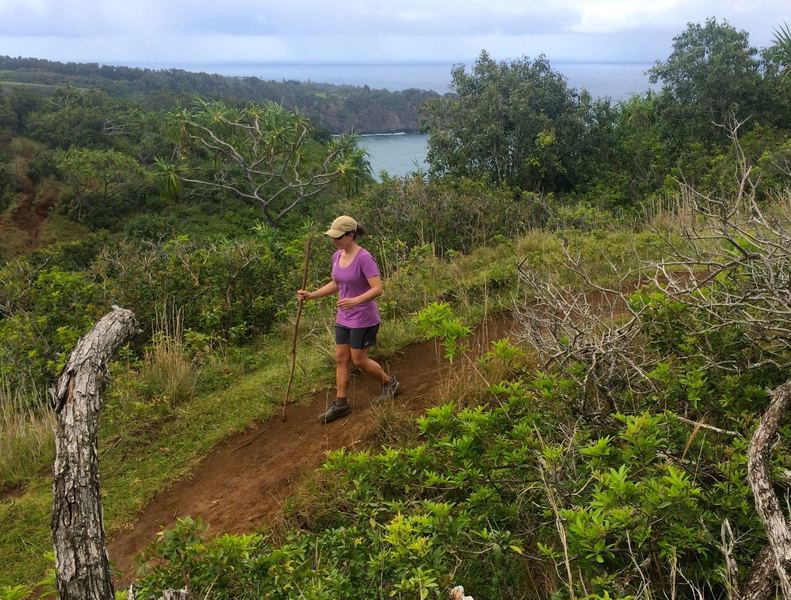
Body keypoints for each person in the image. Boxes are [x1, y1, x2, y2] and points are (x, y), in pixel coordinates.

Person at [297, 215, 400, 423]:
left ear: (351, 235)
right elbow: (336, 284)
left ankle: (389, 383)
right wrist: (311, 295)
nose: (334, 240)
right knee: (340, 358)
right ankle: (341, 403)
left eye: (338, 237)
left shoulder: (364, 258)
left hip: (364, 318)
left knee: (359, 360)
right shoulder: (337, 256)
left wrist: (356, 301)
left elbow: (377, 289)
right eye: (333, 236)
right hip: (343, 317)